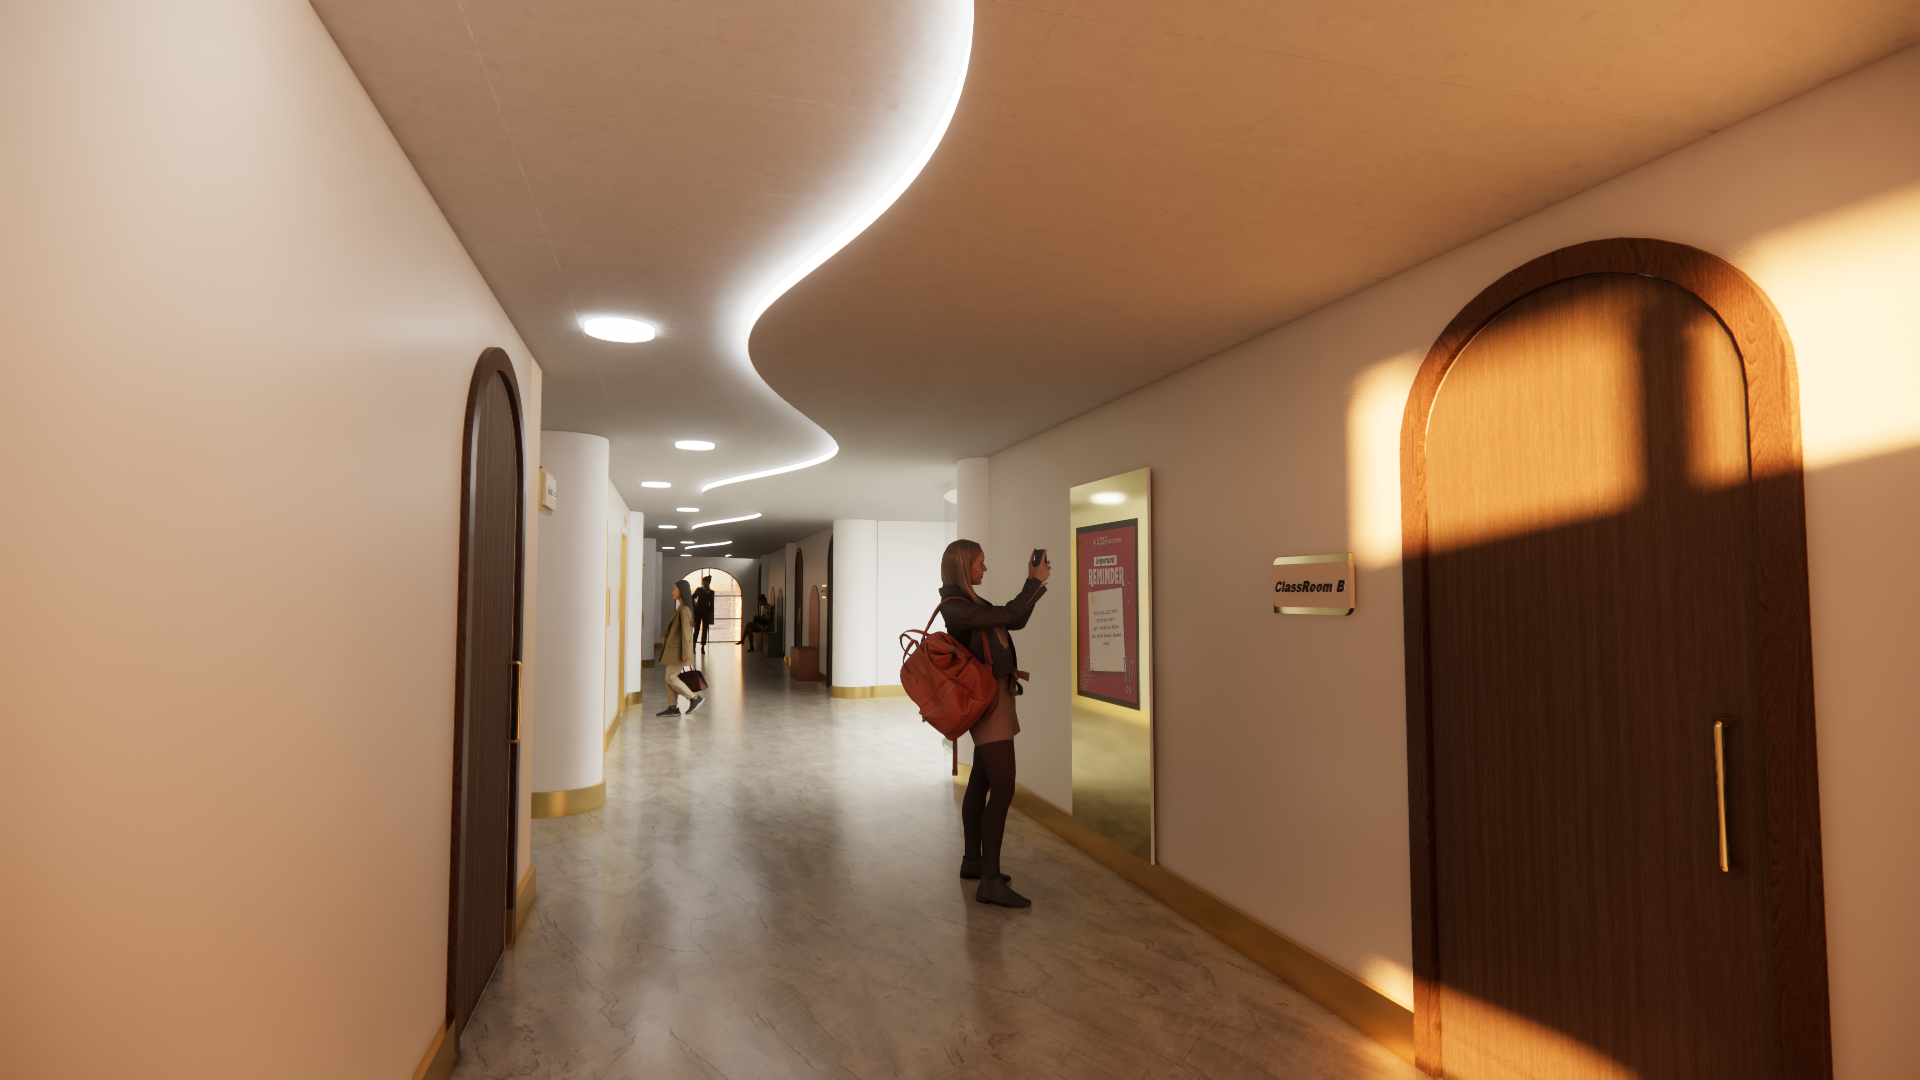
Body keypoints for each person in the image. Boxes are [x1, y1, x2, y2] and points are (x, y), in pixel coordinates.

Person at [938, 539, 1049, 908]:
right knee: (1003, 788)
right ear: (963, 567)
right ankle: (990, 881)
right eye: (980, 564)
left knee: (982, 782)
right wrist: (1031, 584)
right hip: (988, 705)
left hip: (995, 697)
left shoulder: (970, 604)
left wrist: (1032, 581)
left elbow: (1012, 618)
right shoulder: (956, 608)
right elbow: (1005, 614)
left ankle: (974, 862)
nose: (985, 570)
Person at [656, 579, 705, 716]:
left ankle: (695, 698)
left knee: (670, 677)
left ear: (681, 591)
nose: (672, 592)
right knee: (669, 677)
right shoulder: (682, 608)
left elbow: (686, 633)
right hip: (674, 651)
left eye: (674, 589)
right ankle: (672, 708)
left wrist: (685, 652)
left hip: (679, 651)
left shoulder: (684, 610)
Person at [692, 575, 716, 649]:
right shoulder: (699, 589)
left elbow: (712, 604)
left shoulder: (711, 592)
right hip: (698, 611)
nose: (703, 582)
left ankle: (703, 645)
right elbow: (692, 597)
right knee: (697, 628)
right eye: (703, 581)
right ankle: (694, 644)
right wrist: (694, 603)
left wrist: (712, 615)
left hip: (706, 612)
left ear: (709, 582)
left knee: (705, 628)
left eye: (705, 581)